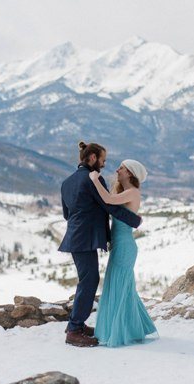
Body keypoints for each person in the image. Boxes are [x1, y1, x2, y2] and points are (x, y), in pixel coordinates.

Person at [59, 142, 143, 347]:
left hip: (76, 237)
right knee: (89, 281)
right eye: (103, 160)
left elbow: (66, 214)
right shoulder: (92, 179)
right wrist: (135, 220)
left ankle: (76, 325)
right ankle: (74, 329)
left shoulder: (67, 182)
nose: (105, 165)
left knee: (88, 279)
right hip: (85, 239)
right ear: (93, 158)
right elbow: (108, 205)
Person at [89, 159, 158, 347]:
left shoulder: (133, 192)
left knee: (118, 286)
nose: (117, 170)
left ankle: (119, 331)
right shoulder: (124, 192)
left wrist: (95, 179)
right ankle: (130, 329)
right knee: (121, 288)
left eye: (122, 168)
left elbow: (108, 200)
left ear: (130, 173)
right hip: (120, 245)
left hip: (125, 246)